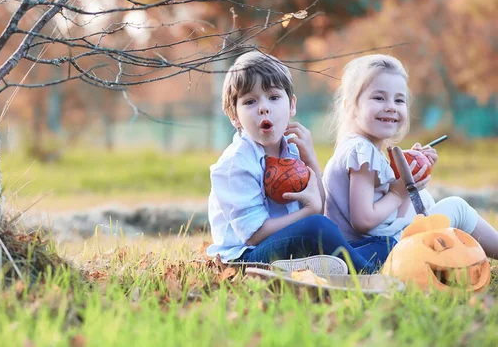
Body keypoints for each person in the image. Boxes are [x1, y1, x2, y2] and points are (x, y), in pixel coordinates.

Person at [206, 50, 377, 273]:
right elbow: (255, 234)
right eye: (250, 101)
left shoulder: (292, 148)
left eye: (274, 97)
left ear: (291, 105)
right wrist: (307, 213)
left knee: (381, 242)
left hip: (286, 242)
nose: (263, 107)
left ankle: (330, 266)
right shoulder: (234, 165)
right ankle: (370, 275)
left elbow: (319, 202)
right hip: (245, 257)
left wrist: (310, 158)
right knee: (317, 228)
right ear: (234, 117)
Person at [323, 54, 498, 265]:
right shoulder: (362, 150)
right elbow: (363, 220)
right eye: (379, 98)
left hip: (374, 248)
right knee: (457, 207)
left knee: (424, 199)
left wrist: (408, 172)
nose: (391, 106)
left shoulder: (357, 148)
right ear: (350, 105)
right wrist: (399, 192)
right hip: (375, 252)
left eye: (399, 100)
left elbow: (382, 203)